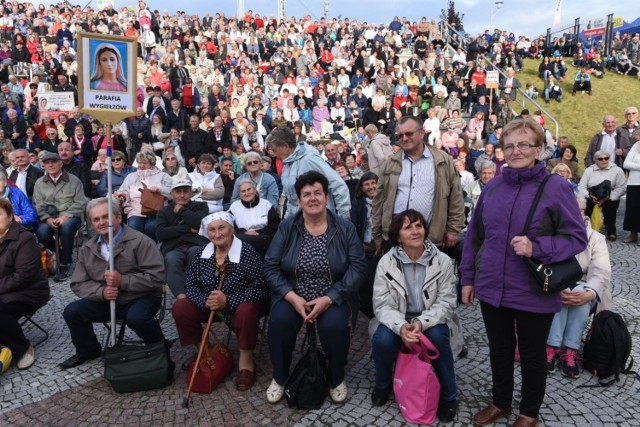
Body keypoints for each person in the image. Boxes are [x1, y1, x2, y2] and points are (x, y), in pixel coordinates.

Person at [460, 118, 588, 427]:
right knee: (499, 350)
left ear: (539, 149)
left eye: (524, 144)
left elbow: (576, 238)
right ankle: (501, 402)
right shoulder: (493, 187)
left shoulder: (555, 186)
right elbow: (474, 237)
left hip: (533, 288)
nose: (516, 151)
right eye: (509, 145)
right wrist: (467, 278)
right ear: (502, 150)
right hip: (492, 286)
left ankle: (529, 412)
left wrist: (537, 247)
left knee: (531, 355)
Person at [263, 171, 367, 404]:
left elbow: (358, 267)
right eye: (306, 194)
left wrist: (330, 298)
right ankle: (280, 377)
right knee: (279, 323)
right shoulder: (287, 227)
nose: (312, 198)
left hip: (333, 295)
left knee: (335, 327)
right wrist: (291, 297)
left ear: (327, 197)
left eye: (317, 193)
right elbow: (270, 266)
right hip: (293, 294)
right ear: (298, 201)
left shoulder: (344, 228)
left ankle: (336, 377)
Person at [370, 210, 458, 422]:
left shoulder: (442, 261)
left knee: (437, 337)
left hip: (431, 319)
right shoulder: (386, 262)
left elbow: (447, 302)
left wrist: (420, 322)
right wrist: (401, 326)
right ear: (398, 235)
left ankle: (449, 394)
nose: (415, 231)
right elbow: (381, 304)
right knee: (382, 339)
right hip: (398, 318)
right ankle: (383, 385)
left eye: (419, 226)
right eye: (408, 227)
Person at [59, 198, 166, 369]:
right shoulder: (88, 248)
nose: (101, 223)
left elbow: (157, 277)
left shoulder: (140, 241)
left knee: (137, 317)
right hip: (107, 299)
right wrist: (101, 292)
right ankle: (88, 350)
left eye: (106, 217)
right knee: (73, 311)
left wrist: (123, 281)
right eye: (96, 219)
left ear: (118, 217)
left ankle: (158, 349)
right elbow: (78, 283)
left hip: (141, 296)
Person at [172, 211, 269, 391]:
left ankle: (246, 361)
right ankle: (204, 350)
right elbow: (191, 286)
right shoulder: (201, 254)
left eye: (222, 228)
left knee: (247, 310)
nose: (217, 234)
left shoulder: (247, 253)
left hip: (240, 306)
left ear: (231, 229)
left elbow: (261, 288)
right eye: (212, 230)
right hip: (212, 306)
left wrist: (229, 300)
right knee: (181, 307)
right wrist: (205, 301)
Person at [372, 115, 465, 253]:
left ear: (422, 133)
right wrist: (378, 235)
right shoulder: (390, 163)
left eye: (409, 133)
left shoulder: (442, 161)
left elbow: (456, 198)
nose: (404, 138)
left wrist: (453, 229)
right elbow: (378, 201)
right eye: (400, 135)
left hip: (430, 238)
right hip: (394, 238)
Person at [546, 197, 612, 379]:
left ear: (583, 212)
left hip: (585, 284)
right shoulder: (552, 233)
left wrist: (589, 293)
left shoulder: (596, 238)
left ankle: (570, 350)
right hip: (556, 283)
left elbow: (601, 270)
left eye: (577, 211)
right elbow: (544, 265)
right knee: (561, 295)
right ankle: (552, 347)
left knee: (579, 297)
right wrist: (556, 286)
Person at [0, 198, 49, 371]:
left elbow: (22, 276)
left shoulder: (24, 239)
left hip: (30, 291)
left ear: (11, 217)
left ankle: (23, 348)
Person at [265, 127, 351, 219]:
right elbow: (292, 201)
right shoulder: (287, 165)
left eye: (274, 150)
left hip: (319, 222)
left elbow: (339, 186)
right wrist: (287, 223)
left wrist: (343, 218)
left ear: (285, 146)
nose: (273, 154)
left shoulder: (309, 160)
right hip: (299, 223)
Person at [33, 151, 87, 282]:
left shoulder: (74, 181)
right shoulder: (39, 183)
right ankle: (59, 254)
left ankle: (65, 263)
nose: (50, 165)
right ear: (43, 166)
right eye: (47, 163)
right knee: (41, 231)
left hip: (70, 216)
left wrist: (65, 216)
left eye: (53, 162)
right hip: (49, 217)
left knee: (67, 227)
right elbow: (37, 204)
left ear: (60, 163)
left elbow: (80, 202)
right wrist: (47, 218)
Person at [156, 178, 209, 299]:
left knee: (196, 253)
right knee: (172, 259)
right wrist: (188, 229)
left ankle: (196, 293)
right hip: (173, 247)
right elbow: (161, 234)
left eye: (185, 191)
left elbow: (200, 223)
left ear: (191, 193)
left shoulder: (201, 206)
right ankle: (182, 298)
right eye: (178, 192)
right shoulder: (164, 211)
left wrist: (181, 210)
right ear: (172, 194)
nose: (182, 195)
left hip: (196, 245)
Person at [116, 151, 172, 241]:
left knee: (151, 228)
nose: (141, 165)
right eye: (140, 163)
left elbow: (173, 191)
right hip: (135, 211)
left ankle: (152, 250)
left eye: (145, 163)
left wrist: (159, 190)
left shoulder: (163, 176)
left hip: (156, 211)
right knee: (134, 227)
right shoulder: (131, 177)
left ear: (152, 163)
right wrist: (122, 197)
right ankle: (136, 251)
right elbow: (123, 191)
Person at [350, 171, 379, 319]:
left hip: (380, 248)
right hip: (364, 246)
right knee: (364, 284)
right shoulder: (357, 204)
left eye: (373, 183)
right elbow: (354, 227)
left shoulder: (384, 202)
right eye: (367, 184)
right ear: (361, 188)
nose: (371, 187)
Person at [579, 150, 626, 241]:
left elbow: (621, 188)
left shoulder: (617, 170)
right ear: (595, 160)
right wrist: (589, 195)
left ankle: (611, 231)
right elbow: (582, 186)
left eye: (606, 158)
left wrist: (608, 197)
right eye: (600, 159)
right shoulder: (589, 170)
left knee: (610, 207)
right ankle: (585, 229)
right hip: (592, 195)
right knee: (586, 205)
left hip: (609, 196)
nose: (604, 160)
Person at [622, 137, 640, 243]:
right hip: (634, 183)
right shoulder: (636, 146)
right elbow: (626, 164)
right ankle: (633, 234)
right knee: (632, 209)